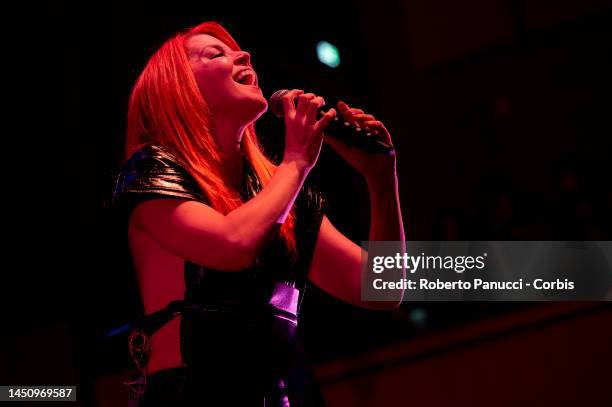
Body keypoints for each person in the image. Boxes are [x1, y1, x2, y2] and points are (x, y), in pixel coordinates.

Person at [112, 20, 405, 406]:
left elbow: (382, 289)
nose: (244, 55)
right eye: (216, 54)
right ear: (178, 90)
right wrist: (297, 162)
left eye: (237, 50)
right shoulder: (151, 171)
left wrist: (380, 179)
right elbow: (232, 244)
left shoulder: (276, 191)